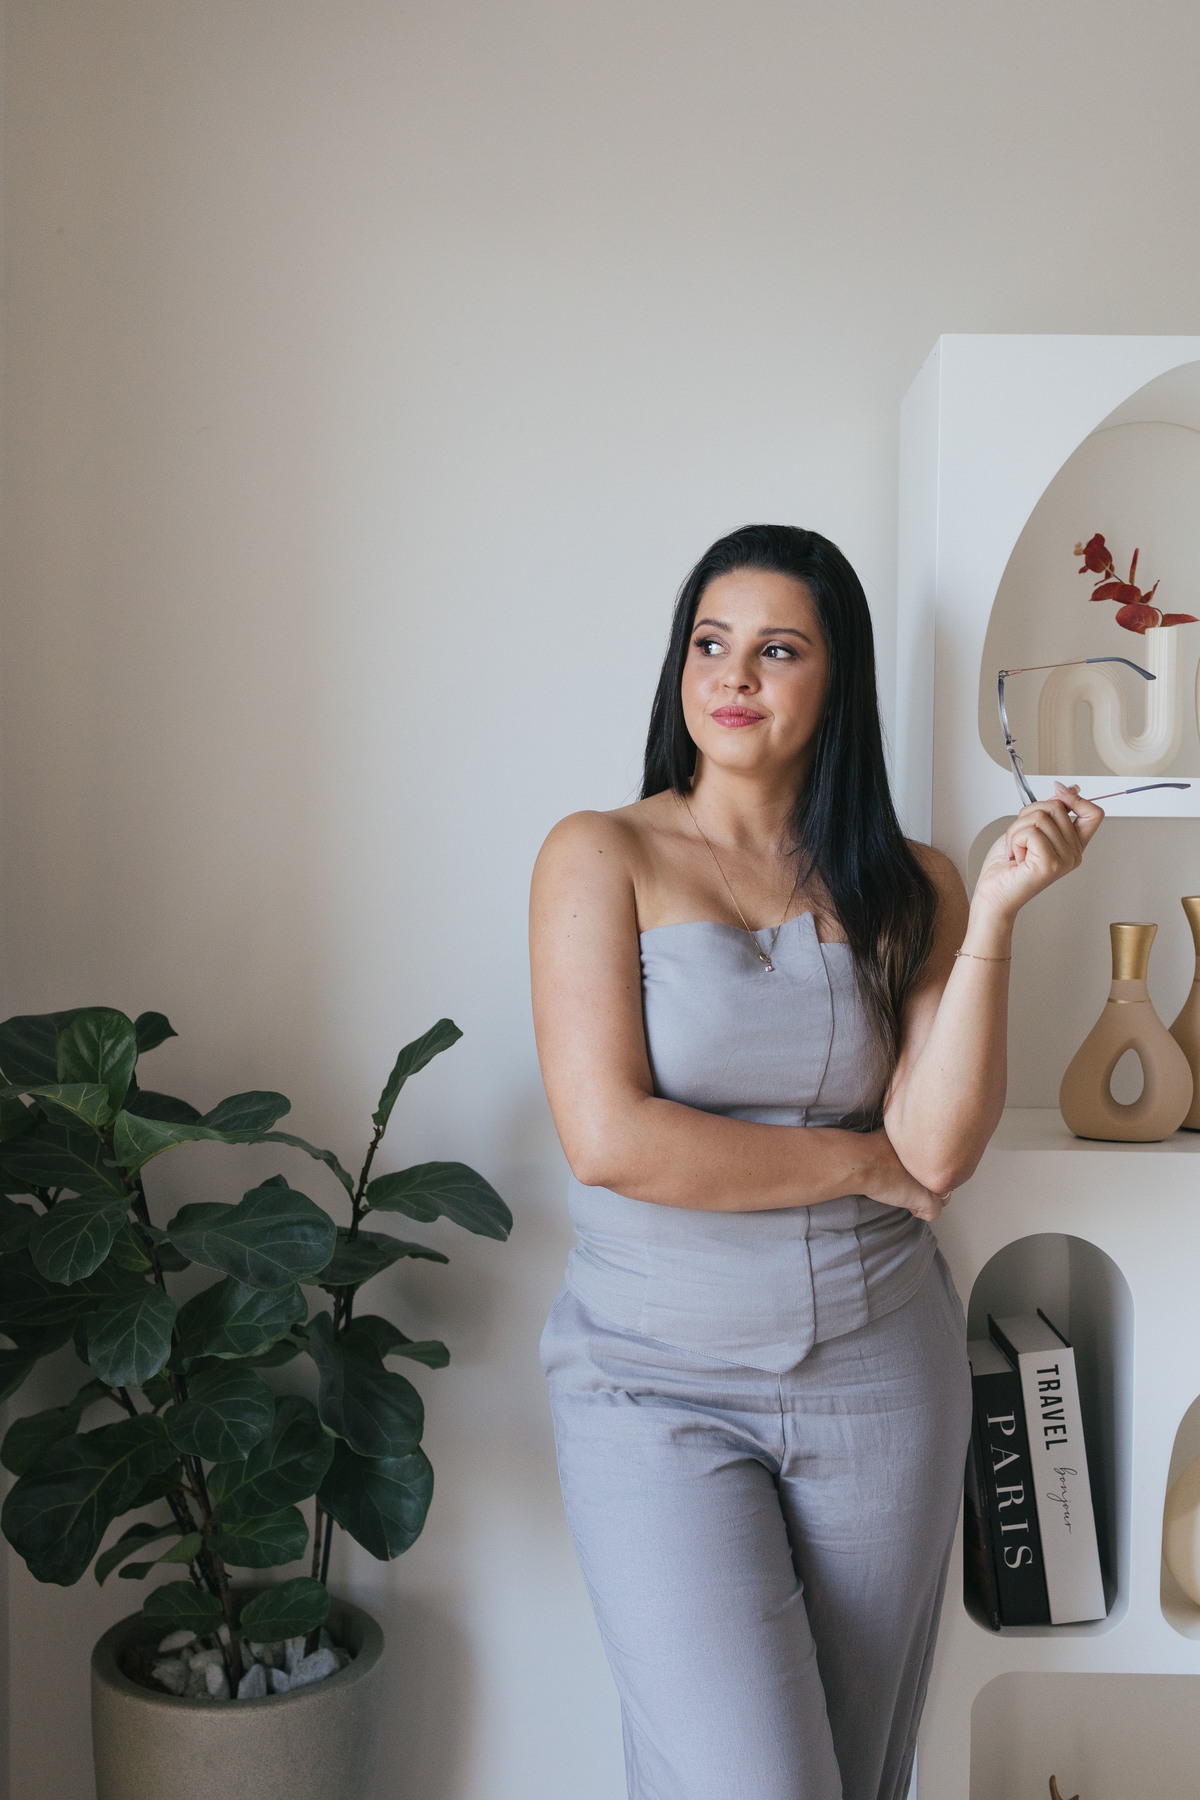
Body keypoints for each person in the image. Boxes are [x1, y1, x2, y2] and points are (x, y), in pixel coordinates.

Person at [528, 524, 1103, 1800]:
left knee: (856, 1775)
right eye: (710, 643)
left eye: (778, 649)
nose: (733, 674)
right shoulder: (599, 855)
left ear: (838, 680)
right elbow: (611, 1139)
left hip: (881, 1380)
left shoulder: (912, 887)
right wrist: (854, 1167)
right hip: (652, 1387)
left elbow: (935, 1151)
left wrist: (997, 911)